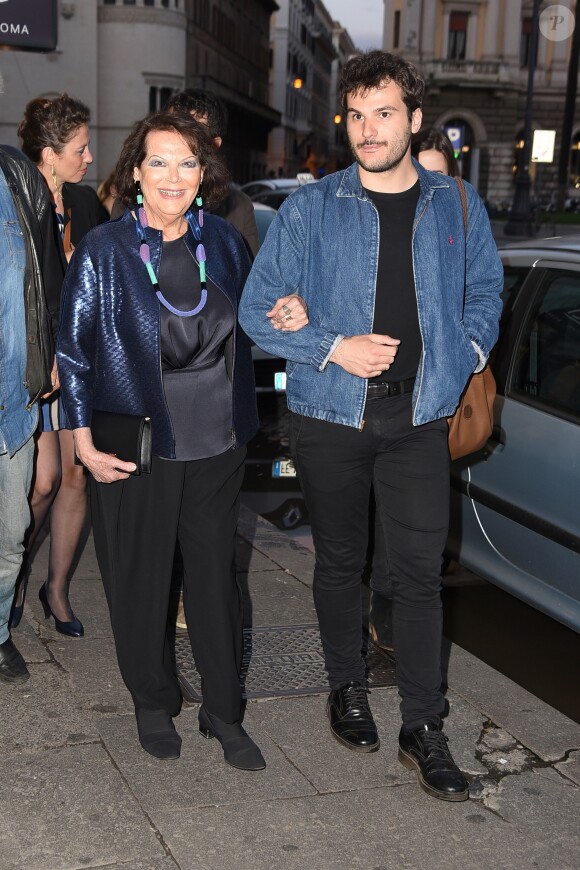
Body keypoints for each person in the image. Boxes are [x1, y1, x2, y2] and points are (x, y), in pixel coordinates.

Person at [239, 50, 503, 802]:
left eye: (384, 112)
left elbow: (486, 289)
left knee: (419, 576)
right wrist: (330, 344)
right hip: (330, 416)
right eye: (356, 114)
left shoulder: (455, 204)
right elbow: (257, 308)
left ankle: (424, 728)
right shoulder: (312, 207)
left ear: (414, 119)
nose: (368, 128)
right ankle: (346, 686)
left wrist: (465, 355)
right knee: (339, 564)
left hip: (420, 416)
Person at [56, 111, 305, 766]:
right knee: (141, 578)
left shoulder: (222, 241)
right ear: (136, 171)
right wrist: (79, 441)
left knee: (217, 582)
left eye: (187, 163)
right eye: (159, 162)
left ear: (204, 174)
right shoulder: (105, 251)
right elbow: (75, 353)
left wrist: (291, 313)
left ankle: (224, 711)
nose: (173, 176)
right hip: (136, 440)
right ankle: (152, 698)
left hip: (219, 442)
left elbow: (260, 320)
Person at [11, 95, 108, 637]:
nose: (89, 157)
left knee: (77, 475)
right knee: (43, 480)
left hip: (80, 361)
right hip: (36, 366)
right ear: (48, 154)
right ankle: (16, 574)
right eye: (79, 148)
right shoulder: (18, 207)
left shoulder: (87, 203)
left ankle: (58, 590)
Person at [369, 126, 460, 652]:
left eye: (437, 175)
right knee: (388, 511)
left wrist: (463, 352)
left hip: (435, 390)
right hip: (385, 390)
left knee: (419, 523)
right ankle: (386, 606)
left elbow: (480, 292)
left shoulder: (460, 216)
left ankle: (411, 616)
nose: (426, 183)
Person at [0, 144, 63, 682]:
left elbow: (47, 277)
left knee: (11, 529)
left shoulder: (17, 175)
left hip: (12, 396)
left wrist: (50, 354)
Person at [166, 89, 260, 258]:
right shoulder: (133, 202)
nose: (182, 139)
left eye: (195, 131)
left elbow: (250, 279)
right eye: (173, 128)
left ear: (215, 145)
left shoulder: (238, 207)